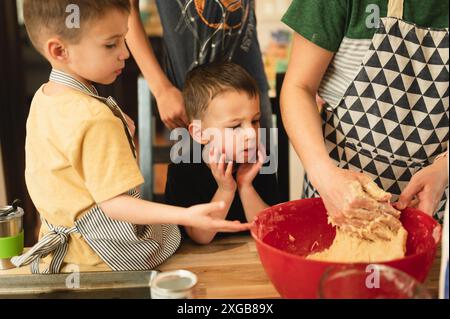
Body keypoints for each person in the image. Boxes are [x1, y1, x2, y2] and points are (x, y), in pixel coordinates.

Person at [12, 0, 250, 274]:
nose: (125, 53)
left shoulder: (45, 97)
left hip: (63, 259)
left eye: (124, 40)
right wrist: (185, 215)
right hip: (103, 261)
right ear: (59, 50)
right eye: (111, 44)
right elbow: (115, 205)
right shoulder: (93, 118)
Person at [280, 0, 448, 223]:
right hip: (338, 202)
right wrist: (323, 174)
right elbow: (298, 87)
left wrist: (445, 167)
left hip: (437, 207)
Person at [165, 62, 279, 244]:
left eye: (255, 121)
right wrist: (226, 189)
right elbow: (200, 237)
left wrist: (245, 186)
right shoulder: (183, 170)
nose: (251, 134)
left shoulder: (260, 162)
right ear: (200, 133)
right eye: (235, 126)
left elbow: (270, 231)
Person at [126, 0, 274, 132]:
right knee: (196, 161)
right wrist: (162, 90)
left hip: (251, 85)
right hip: (192, 98)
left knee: (261, 160)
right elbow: (127, 9)